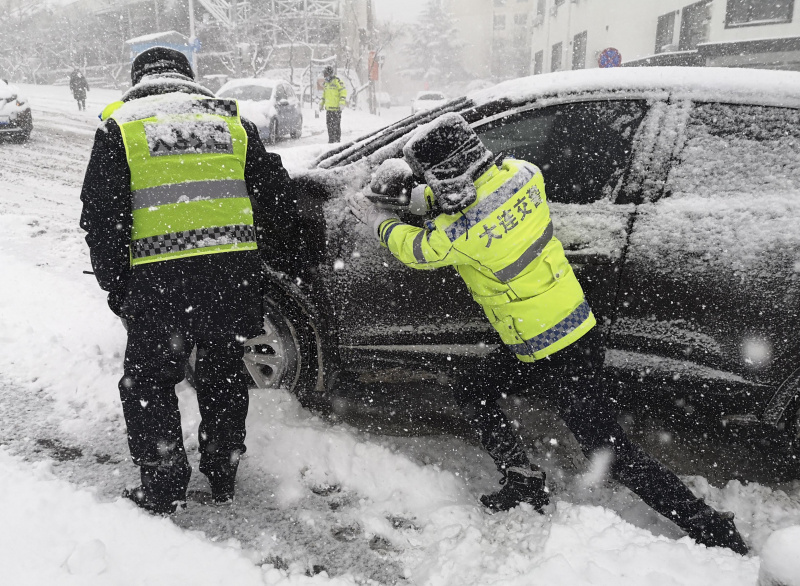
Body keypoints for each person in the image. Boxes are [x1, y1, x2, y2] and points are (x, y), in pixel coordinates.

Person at [346, 112, 749, 555]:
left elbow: (419, 249)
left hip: (552, 348)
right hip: (568, 327)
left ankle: (710, 527)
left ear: (448, 173)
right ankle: (523, 480)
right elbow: (464, 199)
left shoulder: (460, 232)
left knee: (606, 449)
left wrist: (383, 220)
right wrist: (428, 196)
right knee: (475, 387)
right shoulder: (523, 174)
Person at [80, 46, 299, 515]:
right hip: (231, 278)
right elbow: (279, 200)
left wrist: (117, 288)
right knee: (222, 371)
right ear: (188, 77)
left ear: (138, 79)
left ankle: (163, 485)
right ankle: (222, 471)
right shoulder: (232, 123)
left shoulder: (121, 127)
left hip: (159, 284)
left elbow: (101, 220)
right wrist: (263, 262)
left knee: (149, 384)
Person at [319, 65, 347, 143]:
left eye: (326, 74)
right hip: (329, 109)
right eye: (324, 75)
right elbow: (324, 95)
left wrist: (342, 103)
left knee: (336, 126)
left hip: (336, 109)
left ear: (330, 74)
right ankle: (331, 140)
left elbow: (343, 92)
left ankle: (337, 141)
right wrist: (321, 104)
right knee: (329, 126)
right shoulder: (326, 84)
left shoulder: (338, 81)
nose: (325, 76)